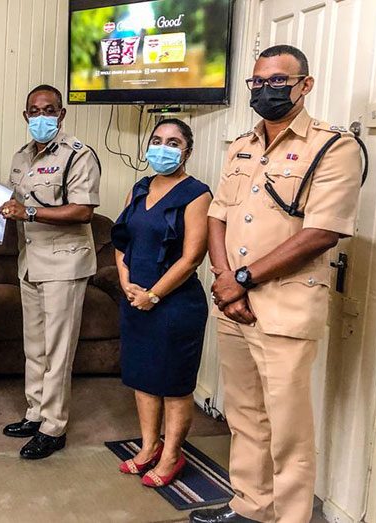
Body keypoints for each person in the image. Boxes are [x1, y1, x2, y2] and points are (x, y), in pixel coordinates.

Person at [189, 45, 362, 523]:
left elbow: (323, 231)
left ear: (305, 85)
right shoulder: (240, 144)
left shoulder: (333, 146)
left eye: (278, 81)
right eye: (258, 82)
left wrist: (242, 279)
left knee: (288, 429)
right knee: (244, 418)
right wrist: (225, 279)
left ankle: (290, 518)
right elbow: (218, 214)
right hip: (234, 304)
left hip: (284, 308)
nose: (266, 90)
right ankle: (251, 507)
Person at [0, 84, 101, 460]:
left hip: (64, 263)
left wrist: (26, 212)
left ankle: (53, 426)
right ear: (26, 116)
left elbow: (83, 211)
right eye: (34, 111)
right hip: (31, 261)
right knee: (36, 346)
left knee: (58, 350)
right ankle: (35, 412)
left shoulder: (79, 156)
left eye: (49, 110)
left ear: (61, 114)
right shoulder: (22, 156)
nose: (41, 116)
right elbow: (16, 204)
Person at [111, 119, 211, 488]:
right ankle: (148, 445)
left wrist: (154, 294)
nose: (162, 147)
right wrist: (125, 282)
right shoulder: (139, 187)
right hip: (135, 299)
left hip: (174, 305)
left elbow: (191, 257)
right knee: (143, 378)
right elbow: (122, 240)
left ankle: (171, 455)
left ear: (187, 150)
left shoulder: (197, 194)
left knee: (173, 383)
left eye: (172, 142)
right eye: (156, 140)